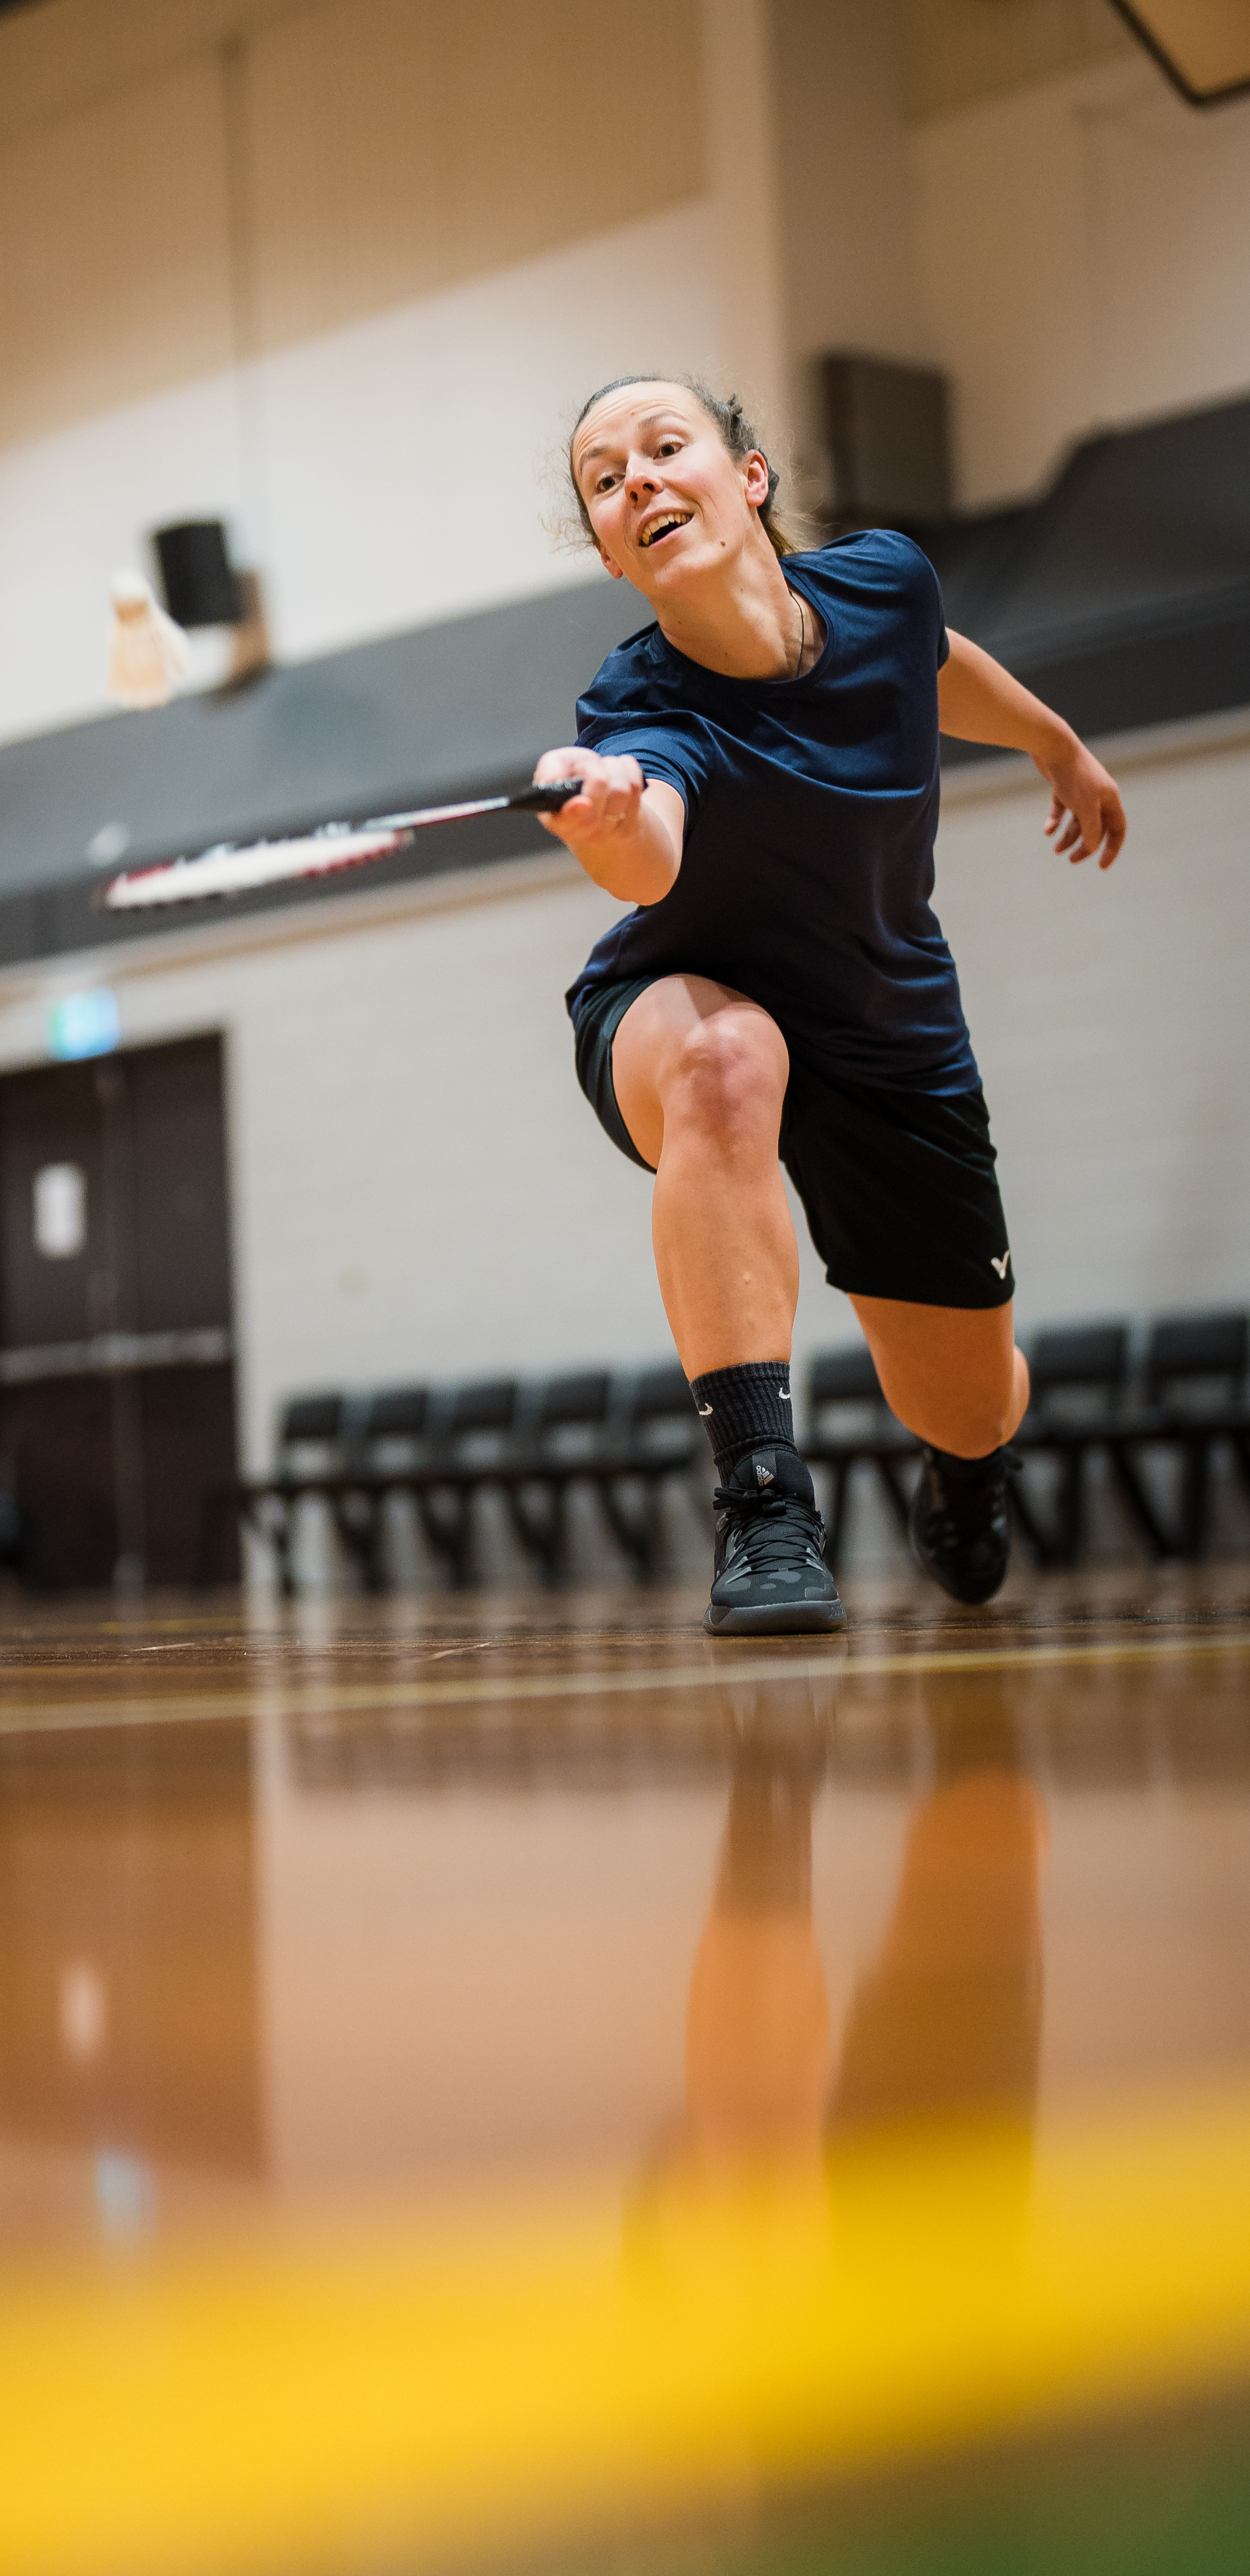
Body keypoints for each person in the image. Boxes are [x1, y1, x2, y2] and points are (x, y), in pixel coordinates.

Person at [537, 376, 1127, 1635]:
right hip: (684, 1001)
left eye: (663, 446)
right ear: (608, 551)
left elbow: (930, 662)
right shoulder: (640, 710)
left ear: (748, 479)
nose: (635, 478)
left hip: (888, 1031)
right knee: (728, 1060)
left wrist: (1054, 743)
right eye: (604, 478)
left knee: (970, 1402)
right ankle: (763, 1502)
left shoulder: (883, 582)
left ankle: (969, 1476)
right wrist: (610, 817)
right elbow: (649, 852)